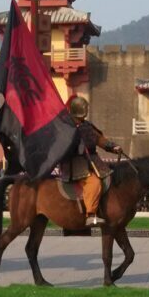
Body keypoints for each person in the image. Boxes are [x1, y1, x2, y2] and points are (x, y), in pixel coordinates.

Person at [63, 96, 123, 227]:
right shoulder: (67, 127)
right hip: (75, 162)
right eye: (85, 108)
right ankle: (90, 215)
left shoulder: (87, 126)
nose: (87, 110)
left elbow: (100, 139)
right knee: (93, 182)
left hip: (92, 160)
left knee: (111, 179)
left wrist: (113, 147)